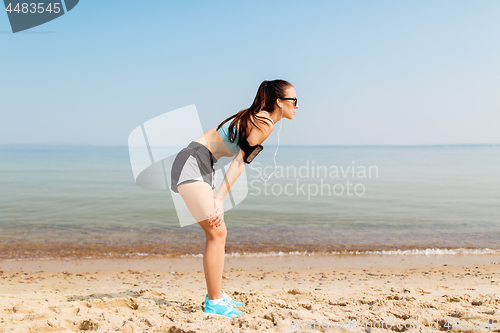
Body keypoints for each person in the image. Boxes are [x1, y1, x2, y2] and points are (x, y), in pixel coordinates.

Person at [170, 79, 298, 318]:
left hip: (200, 162)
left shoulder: (258, 118)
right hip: (193, 162)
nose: (297, 106)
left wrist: (218, 197)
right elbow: (239, 163)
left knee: (218, 232)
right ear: (280, 102)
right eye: (294, 101)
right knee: (217, 232)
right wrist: (219, 200)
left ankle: (214, 295)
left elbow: (238, 159)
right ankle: (214, 303)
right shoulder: (264, 122)